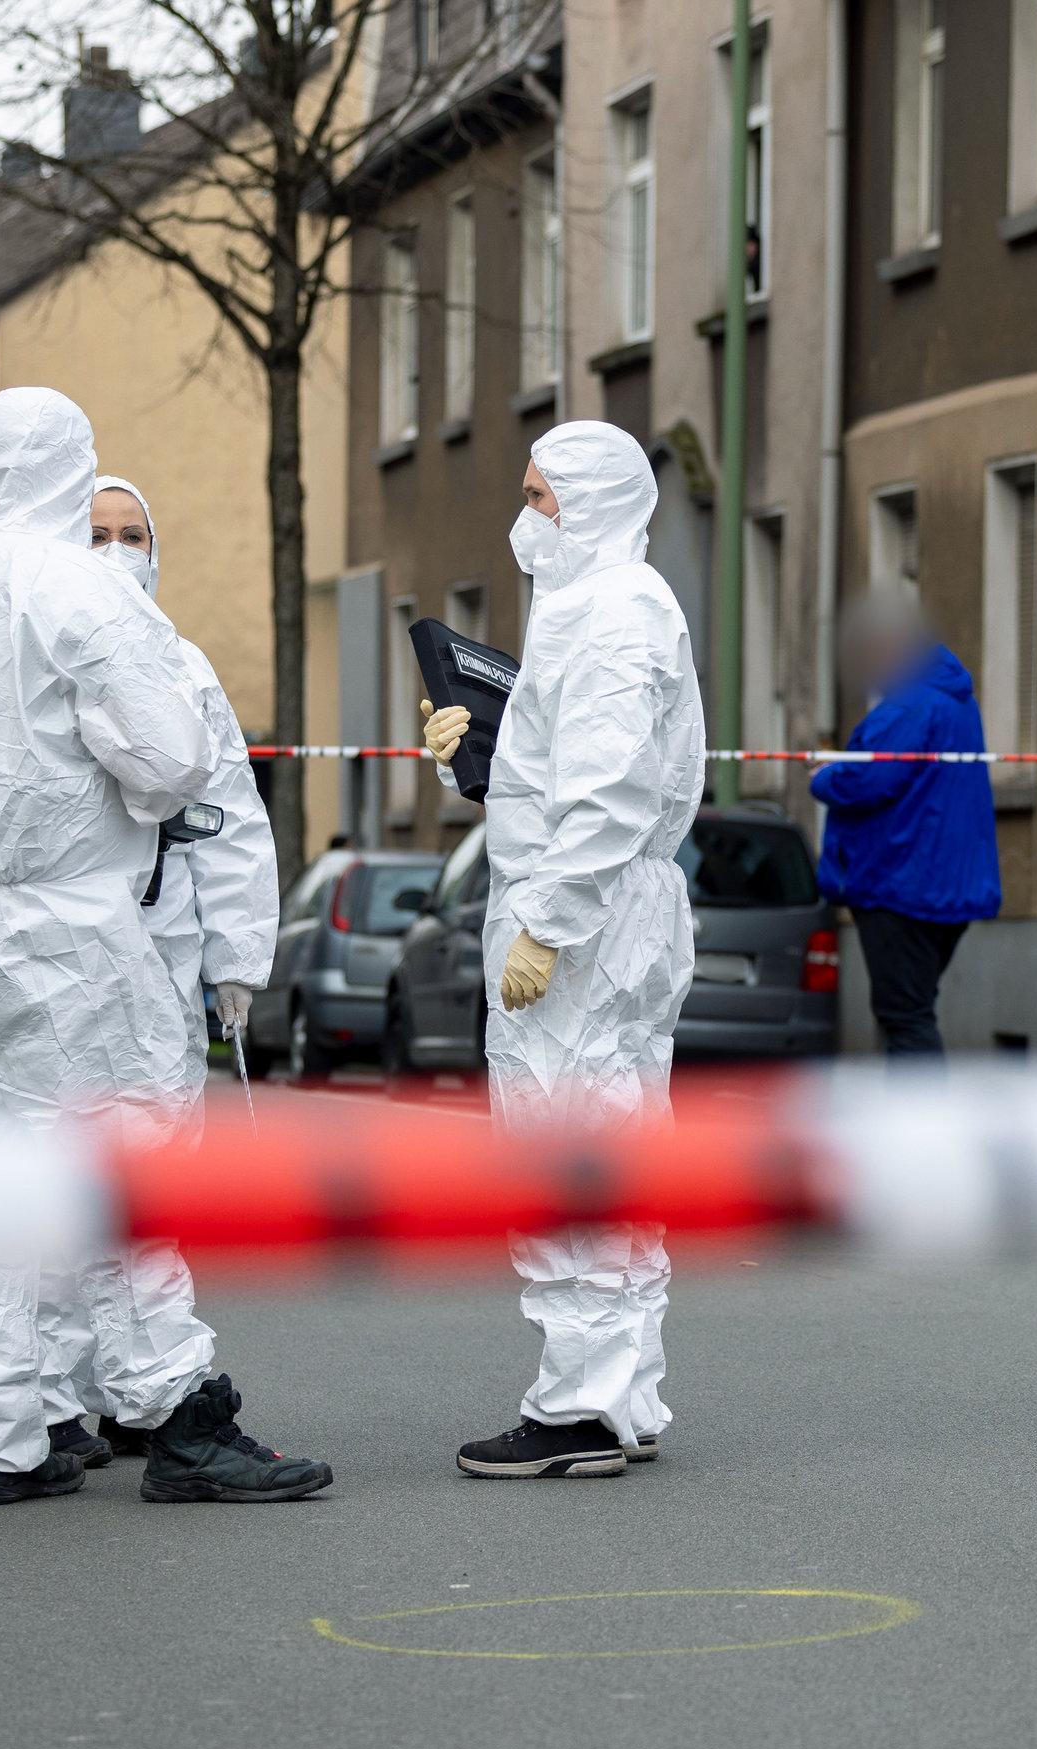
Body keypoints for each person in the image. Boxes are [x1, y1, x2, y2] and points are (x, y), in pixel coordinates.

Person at [0, 384, 330, 1509]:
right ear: (75, 465)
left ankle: (0, 1437)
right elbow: (168, 764)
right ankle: (177, 1417)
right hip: (57, 924)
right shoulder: (79, 591)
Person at [419, 421, 705, 1479]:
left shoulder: (610, 613)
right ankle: (624, 1396)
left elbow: (610, 790)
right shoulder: (601, 606)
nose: (526, 517)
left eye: (541, 497)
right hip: (609, 908)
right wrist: (477, 758)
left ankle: (578, 1408)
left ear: (590, 503)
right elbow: (566, 777)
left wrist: (547, 924)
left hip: (584, 919)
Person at [78, 473, 281, 1463]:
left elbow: (228, 820)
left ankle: (128, 1392)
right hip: (62, 953)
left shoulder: (183, 666)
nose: (118, 551)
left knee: (145, 1172)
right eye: (97, 533)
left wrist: (236, 959)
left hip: (156, 953)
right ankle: (103, 1393)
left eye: (133, 534)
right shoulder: (39, 655)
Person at [808, 596, 1002, 1058]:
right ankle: (908, 1101)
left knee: (906, 1018)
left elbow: (868, 779)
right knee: (912, 1011)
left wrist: (825, 776)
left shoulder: (911, 706)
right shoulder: (955, 702)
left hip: (902, 884)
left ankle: (918, 1107)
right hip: (946, 887)